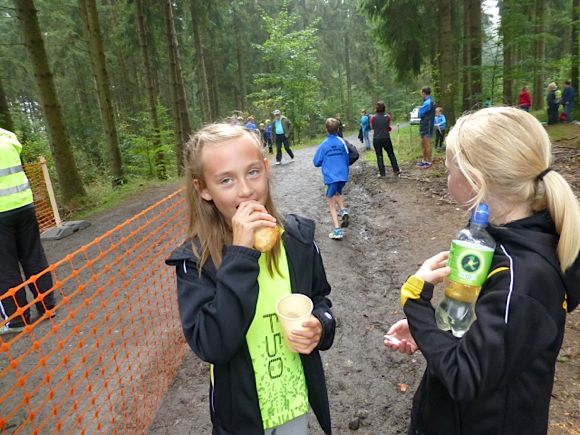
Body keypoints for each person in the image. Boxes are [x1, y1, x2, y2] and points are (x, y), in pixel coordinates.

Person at [384, 107, 580, 435]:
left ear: (474, 182)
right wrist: (431, 333)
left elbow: (465, 377)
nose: (447, 179)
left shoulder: (523, 278)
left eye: (449, 171)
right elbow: (488, 333)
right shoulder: (496, 241)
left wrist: (415, 302)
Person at [165, 123, 335, 435]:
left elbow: (322, 301)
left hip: (293, 403)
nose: (245, 189)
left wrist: (320, 326)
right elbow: (211, 345)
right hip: (241, 418)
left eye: (253, 172)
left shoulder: (297, 239)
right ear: (203, 189)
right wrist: (241, 256)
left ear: (267, 169)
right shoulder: (194, 262)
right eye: (226, 180)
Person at [0, 127, 56, 335]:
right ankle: (48, 306)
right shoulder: (7, 135)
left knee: (4, 267)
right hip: (24, 205)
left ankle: (17, 320)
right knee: (34, 256)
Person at [312, 118, 351, 240]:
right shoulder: (341, 142)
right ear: (338, 129)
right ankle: (344, 211)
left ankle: (337, 230)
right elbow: (347, 157)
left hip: (331, 177)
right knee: (337, 193)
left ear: (326, 130)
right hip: (343, 176)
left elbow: (316, 162)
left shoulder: (324, 145)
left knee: (331, 203)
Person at [370, 101, 400, 178]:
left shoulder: (373, 117)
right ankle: (396, 170)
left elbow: (372, 127)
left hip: (376, 138)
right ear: (384, 108)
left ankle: (382, 173)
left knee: (379, 156)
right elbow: (388, 127)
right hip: (386, 138)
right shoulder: (388, 117)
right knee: (391, 154)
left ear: (376, 108)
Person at [417, 86, 435, 168]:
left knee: (427, 143)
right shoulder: (428, 101)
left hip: (427, 125)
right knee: (423, 143)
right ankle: (424, 160)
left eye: (421, 93)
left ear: (424, 93)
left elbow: (420, 114)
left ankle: (429, 161)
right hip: (424, 124)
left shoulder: (428, 103)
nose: (421, 95)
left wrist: (420, 110)